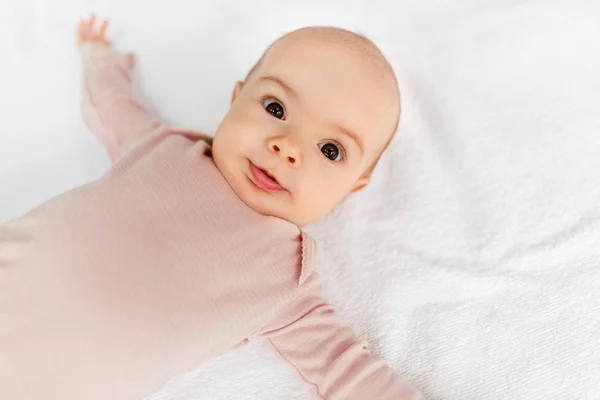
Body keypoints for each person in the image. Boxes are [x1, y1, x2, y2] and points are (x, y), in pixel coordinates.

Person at [0, 15, 422, 400]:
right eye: (276, 108)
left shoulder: (286, 281)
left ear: (353, 188)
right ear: (236, 100)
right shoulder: (162, 147)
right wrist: (101, 59)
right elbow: (112, 107)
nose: (288, 147)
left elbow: (348, 373)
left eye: (330, 150)